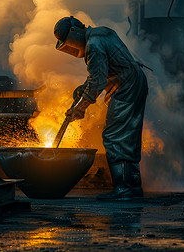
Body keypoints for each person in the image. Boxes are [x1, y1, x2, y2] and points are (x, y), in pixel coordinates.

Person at [53, 16, 148, 200]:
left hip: (127, 86)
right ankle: (133, 186)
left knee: (115, 135)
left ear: (74, 33)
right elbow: (104, 72)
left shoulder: (93, 45)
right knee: (127, 135)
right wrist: (83, 88)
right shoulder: (100, 32)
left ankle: (124, 189)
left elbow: (97, 80)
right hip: (132, 82)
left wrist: (79, 108)